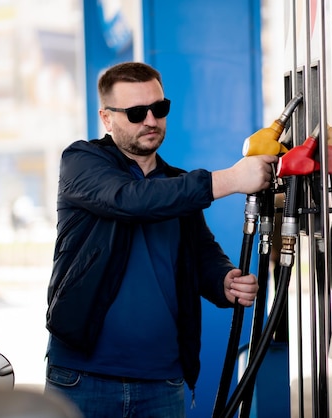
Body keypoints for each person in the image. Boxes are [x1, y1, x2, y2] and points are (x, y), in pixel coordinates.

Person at [44, 61, 277, 418]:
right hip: (82, 377)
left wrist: (223, 279)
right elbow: (129, 200)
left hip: (161, 382)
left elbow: (200, 252)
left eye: (159, 108)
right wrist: (230, 180)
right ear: (107, 119)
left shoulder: (176, 184)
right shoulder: (81, 163)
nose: (151, 120)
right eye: (136, 113)